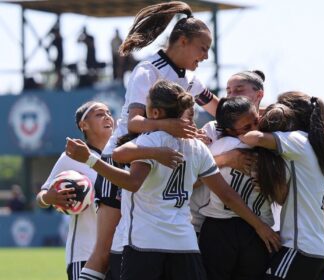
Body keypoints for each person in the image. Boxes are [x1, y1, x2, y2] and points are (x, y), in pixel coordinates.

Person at [66, 80, 281, 280]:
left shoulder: (151, 139)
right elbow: (226, 194)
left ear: (155, 112)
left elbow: (126, 170)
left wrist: (90, 160)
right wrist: (259, 226)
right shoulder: (197, 147)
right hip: (183, 243)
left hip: (144, 242)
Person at [84, 2, 219, 279]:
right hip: (123, 160)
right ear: (183, 41)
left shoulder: (190, 80)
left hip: (153, 166)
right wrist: (172, 125)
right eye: (202, 48)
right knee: (104, 253)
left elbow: (218, 108)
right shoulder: (148, 70)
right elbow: (134, 123)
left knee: (134, 252)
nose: (205, 56)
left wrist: (255, 112)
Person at [238, 92, 324, 280]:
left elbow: (255, 138)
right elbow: (285, 197)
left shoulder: (298, 140)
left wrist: (237, 133)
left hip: (301, 247)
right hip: (320, 250)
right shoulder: (317, 146)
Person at [36, 101, 114, 280]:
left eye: (108, 112)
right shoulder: (72, 157)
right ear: (83, 125)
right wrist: (48, 197)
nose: (107, 116)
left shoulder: (120, 154)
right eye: (99, 114)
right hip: (84, 253)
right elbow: (41, 196)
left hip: (118, 252)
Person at [198, 96, 274, 280]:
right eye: (247, 128)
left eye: (256, 121)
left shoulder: (215, 148)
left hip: (228, 229)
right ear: (230, 130)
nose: (254, 129)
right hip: (239, 229)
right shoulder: (272, 147)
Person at [46, 24, 63, 89]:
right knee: (58, 72)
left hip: (59, 58)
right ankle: (58, 85)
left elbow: (49, 46)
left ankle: (58, 85)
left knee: (58, 72)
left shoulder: (58, 40)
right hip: (58, 58)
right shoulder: (57, 40)